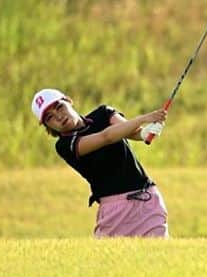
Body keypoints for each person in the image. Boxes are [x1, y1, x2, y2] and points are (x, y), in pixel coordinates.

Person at [32, 87, 169, 238]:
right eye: (50, 117)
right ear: (47, 126)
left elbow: (129, 130)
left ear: (69, 101)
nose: (59, 116)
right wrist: (144, 118)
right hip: (114, 211)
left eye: (59, 107)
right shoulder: (65, 145)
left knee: (158, 255)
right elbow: (106, 137)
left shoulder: (103, 113)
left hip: (147, 201)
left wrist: (145, 133)